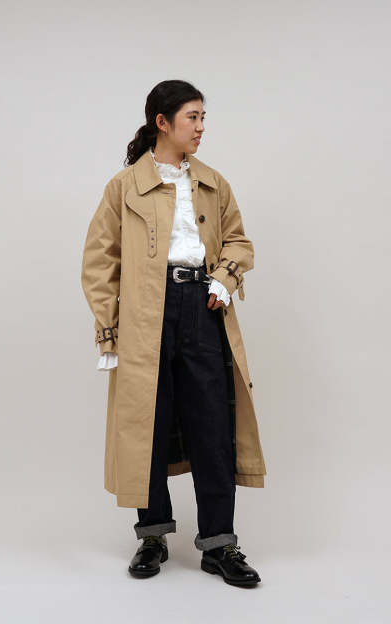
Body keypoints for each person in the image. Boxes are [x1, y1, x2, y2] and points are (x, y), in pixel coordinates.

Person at [81, 80, 266, 588]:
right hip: (146, 313)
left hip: (202, 308)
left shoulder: (213, 183)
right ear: (162, 123)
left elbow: (239, 241)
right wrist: (109, 329)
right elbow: (99, 262)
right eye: (192, 117)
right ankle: (153, 536)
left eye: (203, 117)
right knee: (149, 421)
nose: (201, 127)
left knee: (213, 424)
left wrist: (224, 279)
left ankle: (219, 544)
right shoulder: (124, 187)